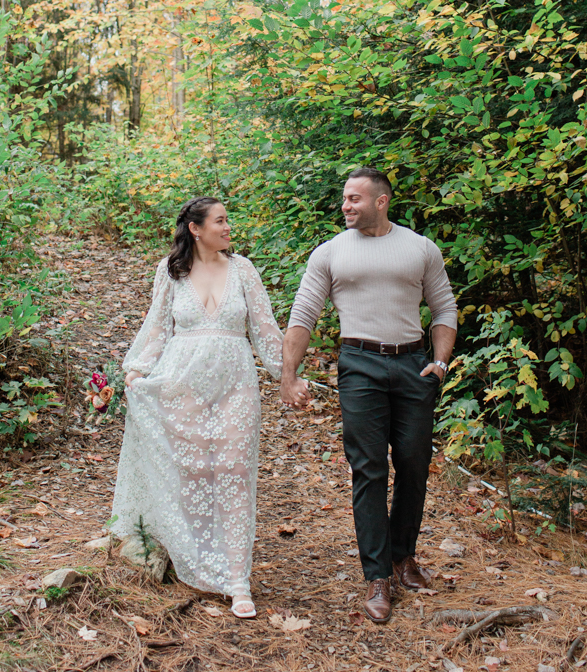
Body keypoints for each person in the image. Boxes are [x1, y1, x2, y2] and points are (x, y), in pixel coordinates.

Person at [280, 167, 457, 624]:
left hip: (413, 364)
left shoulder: (420, 248)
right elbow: (304, 314)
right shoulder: (330, 254)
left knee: (415, 462)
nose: (345, 206)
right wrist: (288, 373)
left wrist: (439, 362)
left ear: (381, 201)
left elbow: (443, 307)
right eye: (344, 198)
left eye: (354, 198)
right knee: (369, 468)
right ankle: (377, 576)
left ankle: (403, 558)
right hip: (359, 365)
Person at [111, 196, 283, 619]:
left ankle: (237, 580)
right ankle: (195, 556)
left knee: (233, 470)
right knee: (192, 470)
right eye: (221, 221)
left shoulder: (243, 270)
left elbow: (264, 328)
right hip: (181, 382)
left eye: (227, 220)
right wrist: (136, 370)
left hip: (235, 383)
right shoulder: (171, 272)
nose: (228, 227)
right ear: (196, 228)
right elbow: (156, 327)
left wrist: (288, 376)